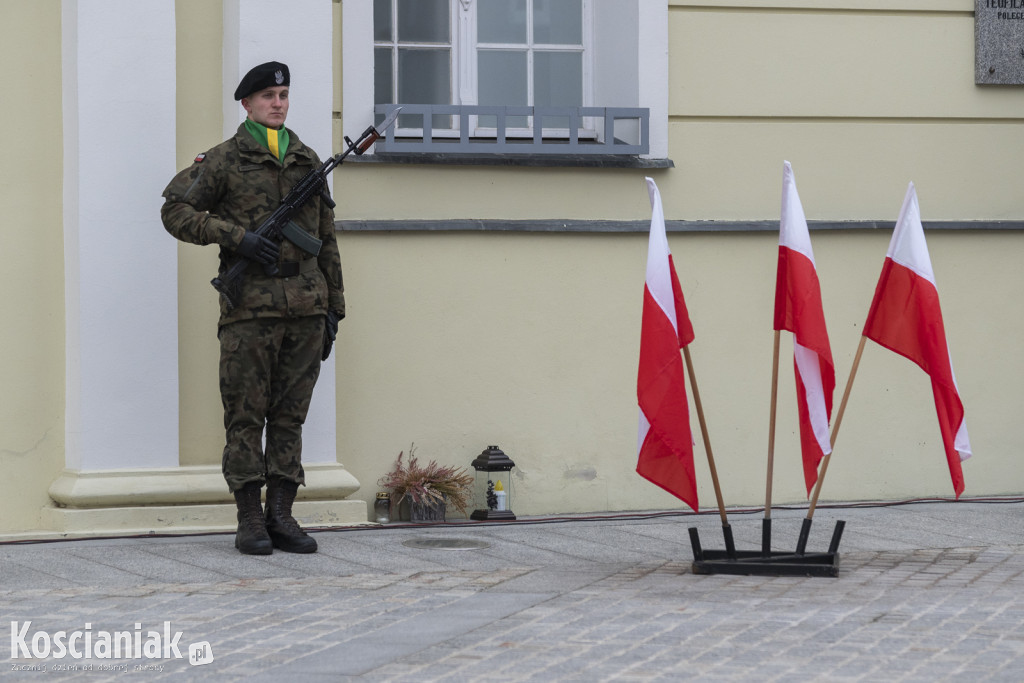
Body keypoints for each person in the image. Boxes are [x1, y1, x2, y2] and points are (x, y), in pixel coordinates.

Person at [161, 61, 344, 555]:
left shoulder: (306, 160)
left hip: (306, 306)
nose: (277, 103)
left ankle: (281, 515)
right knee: (245, 417)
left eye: (283, 94)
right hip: (250, 310)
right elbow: (174, 210)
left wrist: (335, 307)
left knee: (290, 416)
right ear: (246, 104)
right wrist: (236, 238)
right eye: (267, 95)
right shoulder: (222, 161)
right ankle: (249, 519)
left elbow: (325, 239)